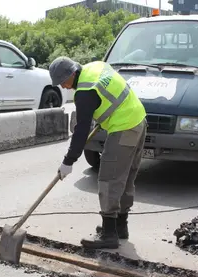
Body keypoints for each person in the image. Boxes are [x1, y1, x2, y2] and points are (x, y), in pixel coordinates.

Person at [49, 57, 147, 250]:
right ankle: (120, 226)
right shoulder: (95, 66)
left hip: (124, 126)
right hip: (139, 119)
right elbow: (109, 95)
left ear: (72, 74)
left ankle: (109, 234)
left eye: (63, 82)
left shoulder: (85, 92)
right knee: (125, 178)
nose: (64, 87)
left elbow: (81, 130)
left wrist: (68, 161)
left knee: (109, 179)